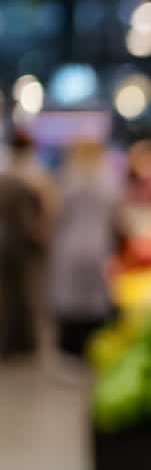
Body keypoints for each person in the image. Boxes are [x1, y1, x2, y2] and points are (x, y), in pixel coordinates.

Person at [50, 141, 122, 359]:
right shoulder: (108, 182)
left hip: (70, 246)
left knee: (73, 300)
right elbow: (117, 216)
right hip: (97, 246)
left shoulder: (68, 179)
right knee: (92, 300)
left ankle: (70, 350)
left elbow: (55, 212)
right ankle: (88, 347)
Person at [0, 132, 58, 373]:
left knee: (7, 293)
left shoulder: (6, 171)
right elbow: (49, 208)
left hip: (6, 241)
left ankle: (10, 342)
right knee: (28, 292)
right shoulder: (36, 175)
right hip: (25, 244)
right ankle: (24, 343)